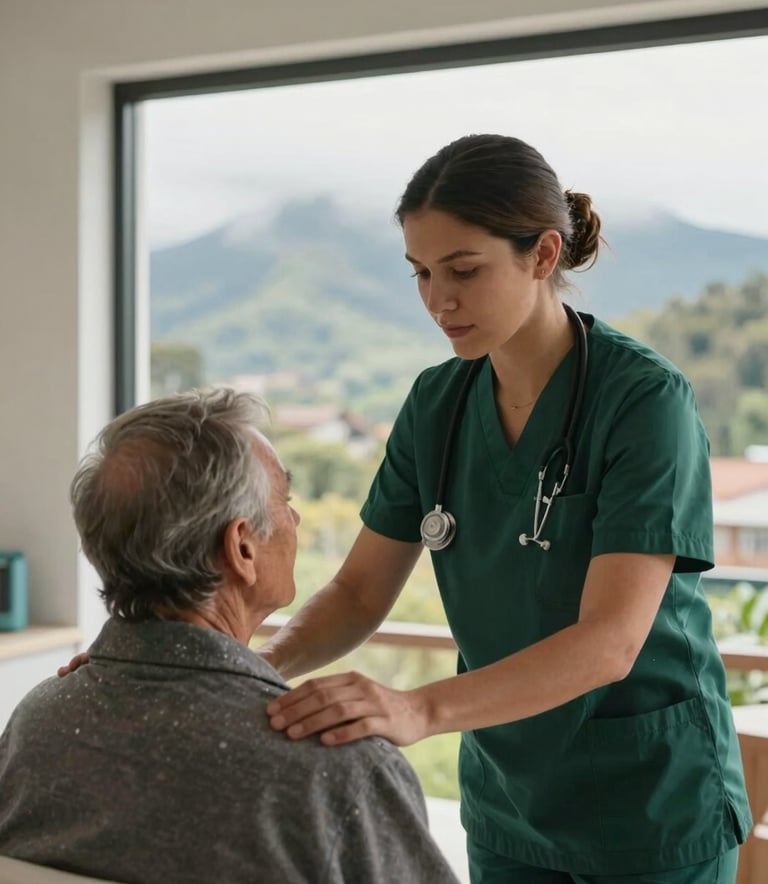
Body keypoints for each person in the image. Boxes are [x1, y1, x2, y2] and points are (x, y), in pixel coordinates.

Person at [260, 135, 752, 883]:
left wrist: (417, 709)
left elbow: (611, 642)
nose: (439, 299)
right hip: (509, 803)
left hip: (650, 802)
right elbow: (359, 593)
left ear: (544, 254)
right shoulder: (437, 404)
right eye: (422, 273)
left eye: (464, 270)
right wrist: (250, 670)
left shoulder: (645, 402)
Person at [0, 389, 459, 884]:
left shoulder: (35, 725)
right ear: (241, 546)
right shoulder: (340, 769)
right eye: (285, 499)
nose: (296, 518)